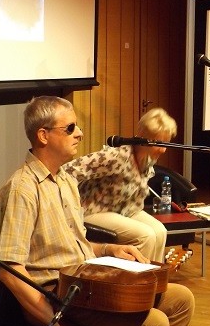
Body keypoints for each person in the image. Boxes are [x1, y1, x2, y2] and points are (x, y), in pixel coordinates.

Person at [0, 96, 194, 326]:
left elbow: (77, 244)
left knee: (182, 300)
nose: (80, 133)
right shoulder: (22, 190)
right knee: (155, 324)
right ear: (43, 135)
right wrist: (53, 317)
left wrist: (110, 249)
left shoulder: (65, 181)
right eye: (70, 128)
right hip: (58, 294)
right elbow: (9, 269)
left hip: (84, 284)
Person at [63, 108, 177, 262]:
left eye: (166, 143)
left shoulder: (148, 161)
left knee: (160, 231)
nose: (163, 150)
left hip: (125, 211)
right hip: (95, 211)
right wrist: (70, 202)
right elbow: (69, 170)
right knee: (146, 235)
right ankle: (137, 275)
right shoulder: (116, 156)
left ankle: (155, 273)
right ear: (144, 138)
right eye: (159, 143)